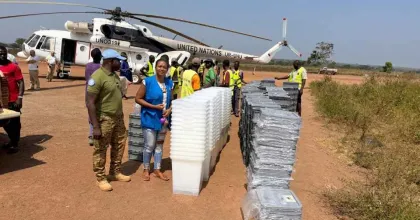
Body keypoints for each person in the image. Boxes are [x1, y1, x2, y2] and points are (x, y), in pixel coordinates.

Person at [86, 49, 131, 191]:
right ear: (110, 61)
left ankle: (114, 172)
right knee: (101, 149)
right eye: (118, 60)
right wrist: (96, 126)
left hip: (118, 118)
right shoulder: (97, 77)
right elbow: (90, 103)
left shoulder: (114, 76)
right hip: (104, 119)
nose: (120, 63)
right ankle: (100, 178)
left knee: (119, 145)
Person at [135, 58, 173, 181]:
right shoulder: (148, 82)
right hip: (149, 117)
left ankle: (157, 169)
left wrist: (170, 110)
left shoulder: (169, 83)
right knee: (149, 145)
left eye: (164, 67)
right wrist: (154, 107)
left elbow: (172, 100)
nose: (161, 69)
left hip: (163, 120)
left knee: (159, 146)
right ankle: (146, 169)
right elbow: (138, 98)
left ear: (167, 69)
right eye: (159, 66)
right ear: (155, 67)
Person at [0, 46, 25, 154]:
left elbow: (21, 82)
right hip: (1, 102)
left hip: (13, 100)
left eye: (4, 53)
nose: (2, 55)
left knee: (14, 124)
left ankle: (15, 144)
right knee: (4, 123)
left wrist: (19, 98)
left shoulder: (13, 67)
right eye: (0, 53)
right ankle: (12, 140)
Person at [85, 48, 102, 146]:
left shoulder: (88, 66)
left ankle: (91, 135)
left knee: (90, 111)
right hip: (97, 92)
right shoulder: (100, 67)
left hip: (88, 91)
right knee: (98, 112)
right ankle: (95, 134)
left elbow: (87, 78)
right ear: (99, 56)